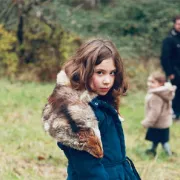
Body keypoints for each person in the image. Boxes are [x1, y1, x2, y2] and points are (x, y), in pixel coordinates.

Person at [42, 39, 141, 180]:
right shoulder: (77, 114)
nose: (107, 80)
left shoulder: (101, 103)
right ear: (83, 71)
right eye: (100, 72)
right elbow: (87, 168)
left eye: (112, 73)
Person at [141, 72, 176, 156]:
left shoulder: (156, 96)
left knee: (163, 141)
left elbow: (154, 112)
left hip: (157, 123)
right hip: (163, 123)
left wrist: (147, 122)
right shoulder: (163, 93)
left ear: (160, 84)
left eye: (152, 82)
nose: (149, 84)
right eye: (148, 81)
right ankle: (153, 150)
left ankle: (168, 154)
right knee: (156, 139)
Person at [160, 15, 180, 120]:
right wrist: (169, 73)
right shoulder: (169, 39)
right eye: (178, 24)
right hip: (174, 72)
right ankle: (174, 114)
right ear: (174, 24)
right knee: (175, 94)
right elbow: (165, 57)